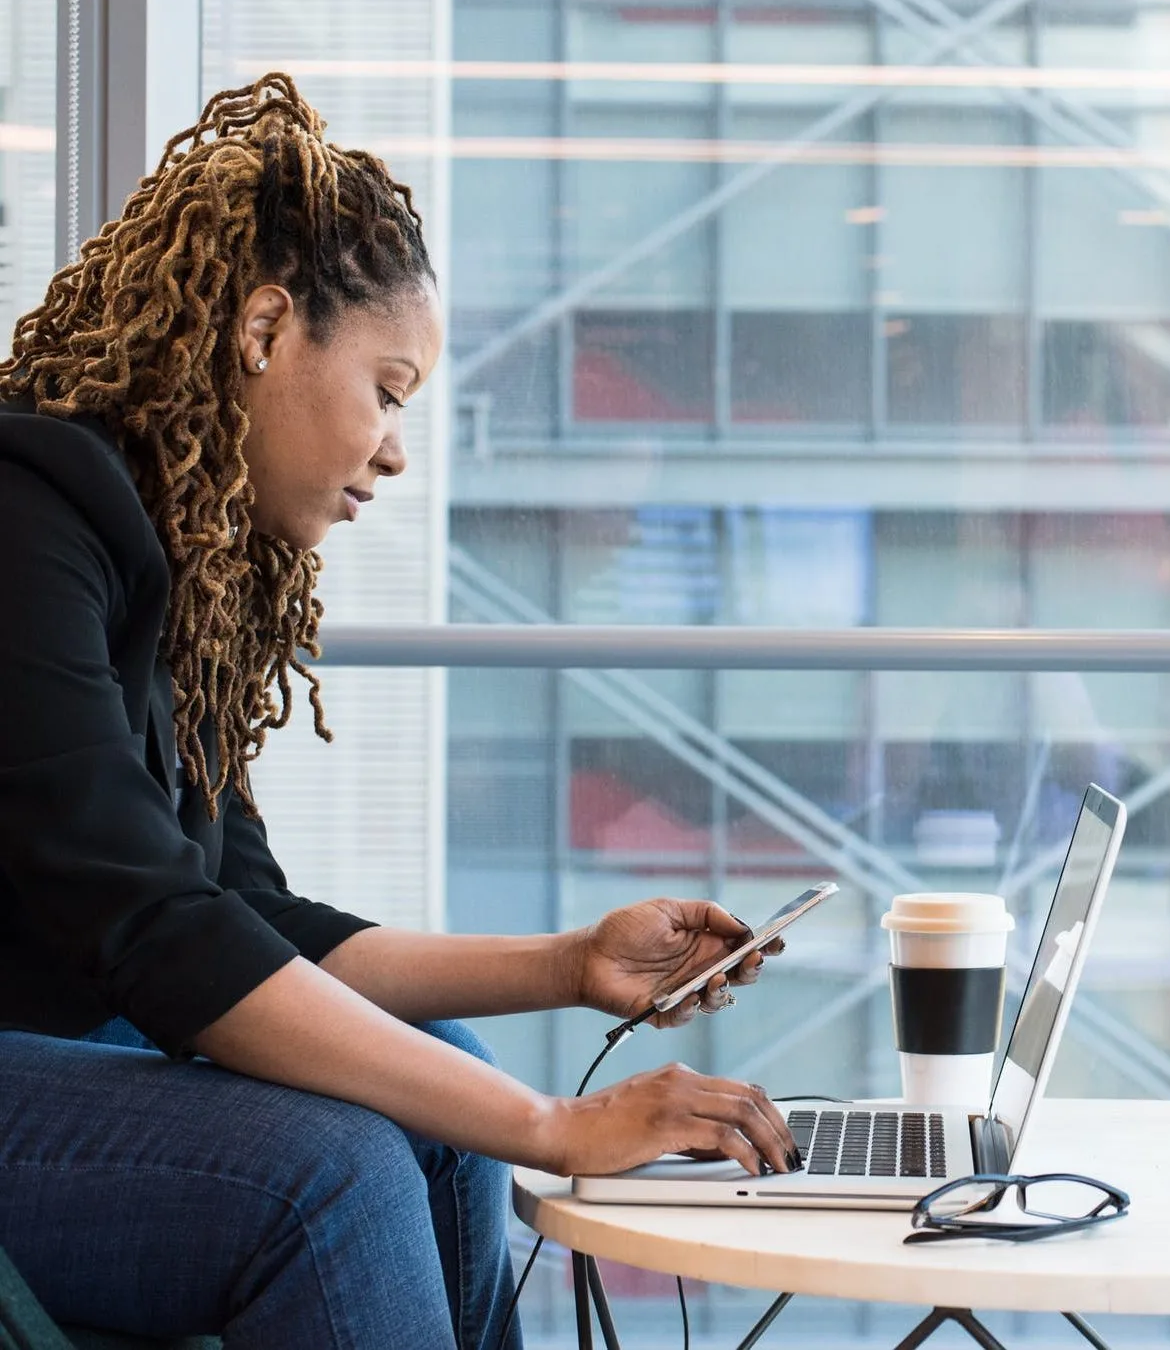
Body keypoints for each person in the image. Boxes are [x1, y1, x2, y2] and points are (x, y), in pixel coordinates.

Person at [0, 74, 797, 1350]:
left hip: (51, 1054)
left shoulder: (170, 573)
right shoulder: (25, 515)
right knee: (331, 1172)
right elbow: (156, 933)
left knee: (438, 1085)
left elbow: (248, 919)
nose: (395, 451)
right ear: (264, 327)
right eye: (387, 388)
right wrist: (550, 1121)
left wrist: (566, 966)